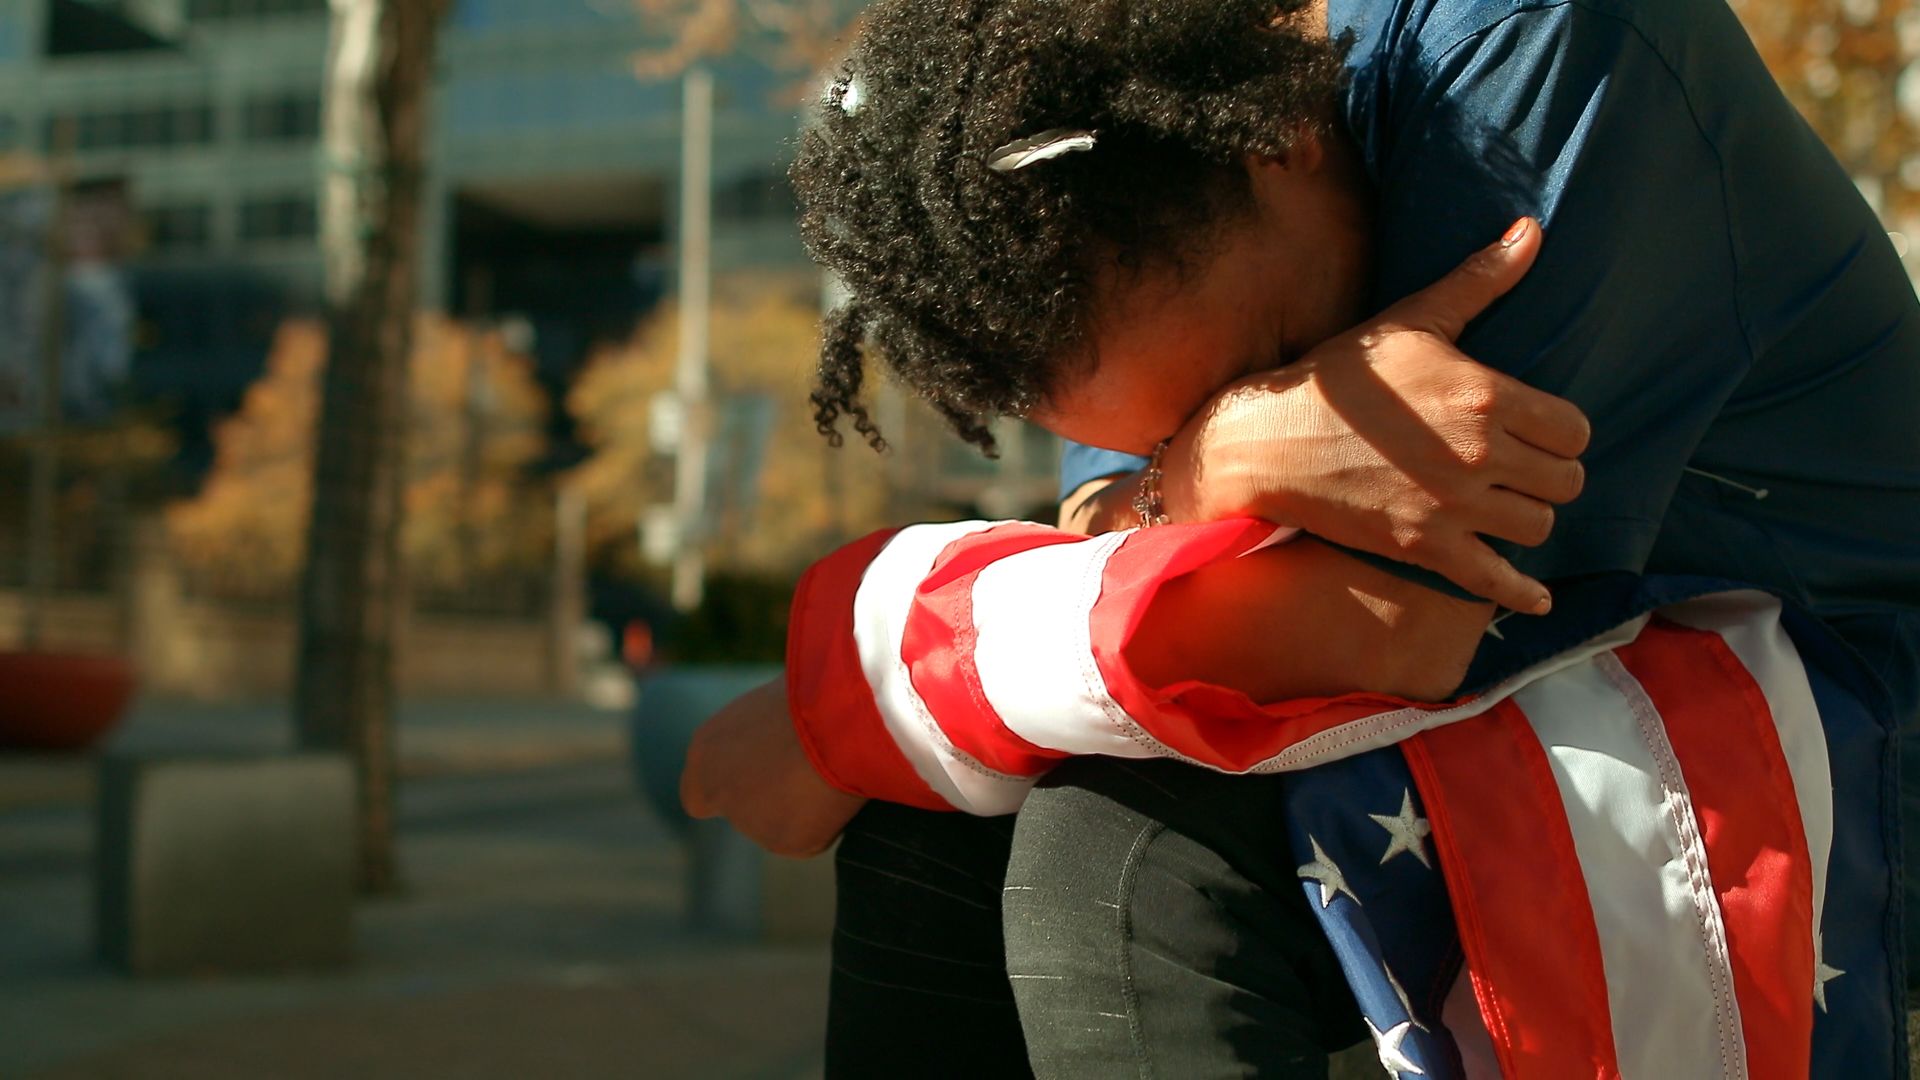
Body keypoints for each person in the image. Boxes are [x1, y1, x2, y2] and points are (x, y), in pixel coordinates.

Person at [685, 0, 1920, 1075]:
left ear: (1278, 140)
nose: (1263, 419)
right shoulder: (1118, 197)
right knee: (935, 828)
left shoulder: (1529, 46)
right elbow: (1104, 525)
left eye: (1273, 360)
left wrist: (866, 705)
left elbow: (1397, 626)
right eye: (1168, 426)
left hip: (1846, 698)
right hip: (1585, 670)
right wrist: (1213, 461)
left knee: (1129, 850)